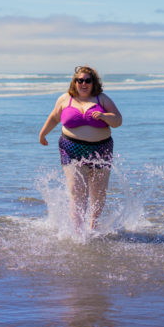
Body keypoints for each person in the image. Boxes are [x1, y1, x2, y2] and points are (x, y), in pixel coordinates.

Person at [39, 66, 122, 233]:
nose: (83, 83)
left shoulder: (102, 99)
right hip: (71, 149)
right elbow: (54, 117)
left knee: (98, 193)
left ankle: (94, 225)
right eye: (80, 80)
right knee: (77, 191)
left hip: (101, 149)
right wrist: (42, 134)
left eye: (87, 80)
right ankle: (78, 232)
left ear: (93, 83)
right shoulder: (65, 99)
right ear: (74, 82)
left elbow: (118, 120)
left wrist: (105, 116)